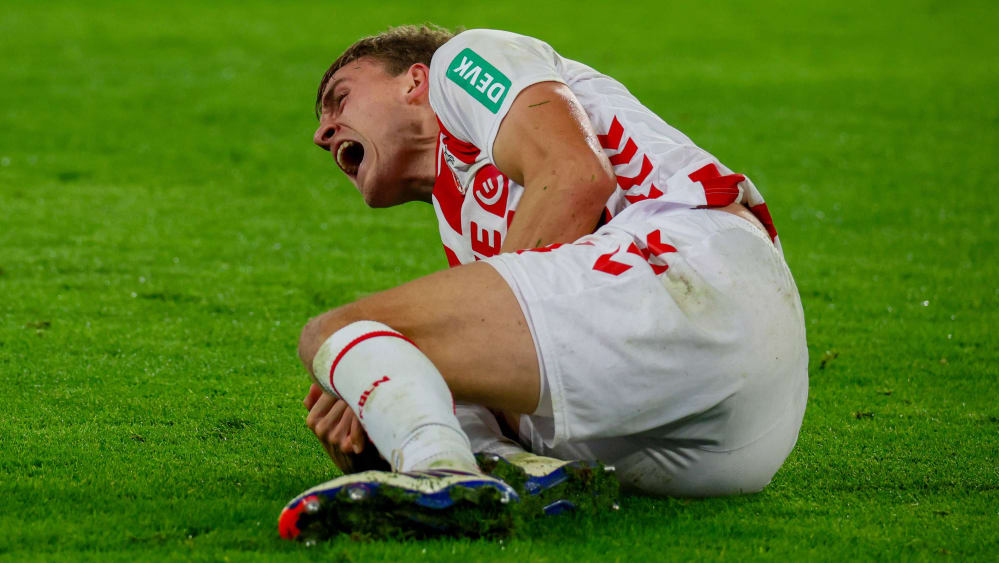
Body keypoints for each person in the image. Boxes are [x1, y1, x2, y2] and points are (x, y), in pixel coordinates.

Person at [278, 24, 808, 541]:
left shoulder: (462, 63)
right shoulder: (460, 223)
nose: (323, 135)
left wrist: (373, 360)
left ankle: (440, 470)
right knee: (392, 374)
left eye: (341, 99)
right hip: (730, 445)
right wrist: (379, 400)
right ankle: (515, 472)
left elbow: (575, 175)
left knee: (334, 333)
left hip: (698, 273)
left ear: (414, 81)